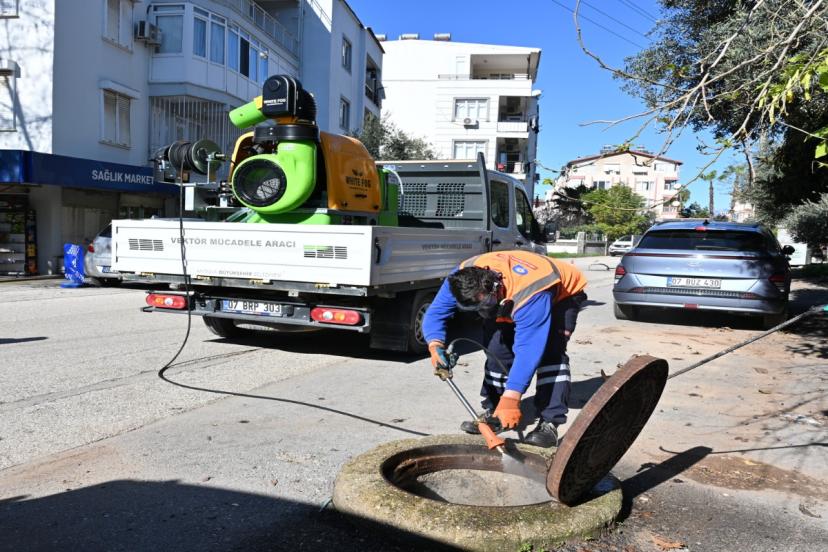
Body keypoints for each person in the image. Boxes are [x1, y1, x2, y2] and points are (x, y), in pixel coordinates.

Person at [423, 250, 588, 448]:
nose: (484, 311)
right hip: (509, 295)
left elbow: (528, 350)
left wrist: (512, 397)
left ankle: (549, 423)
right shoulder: (458, 281)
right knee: (497, 351)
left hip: (561, 295)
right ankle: (494, 413)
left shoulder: (532, 291)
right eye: (477, 308)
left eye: (486, 304)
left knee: (550, 353)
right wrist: (435, 346)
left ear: (495, 286)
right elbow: (435, 313)